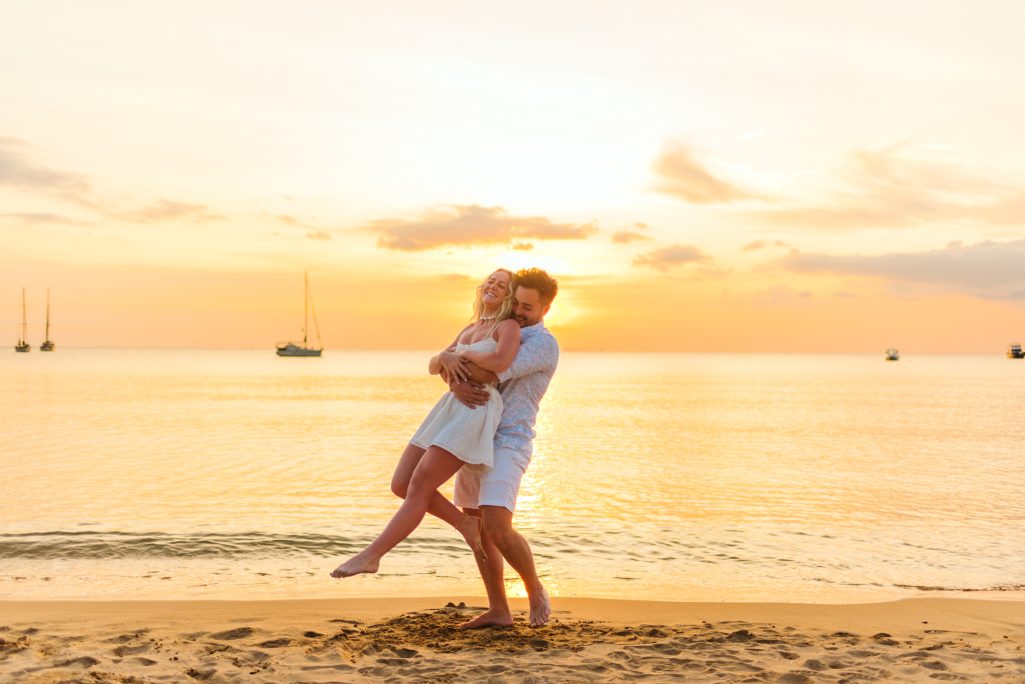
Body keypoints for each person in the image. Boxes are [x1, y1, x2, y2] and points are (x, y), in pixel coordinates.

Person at [329, 269, 521, 579]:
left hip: (476, 408)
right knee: (402, 484)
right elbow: (434, 365)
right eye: (491, 280)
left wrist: (459, 363)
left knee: (420, 486)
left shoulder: (507, 327)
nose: (493, 286)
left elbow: (499, 365)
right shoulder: (471, 327)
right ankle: (465, 524)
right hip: (449, 407)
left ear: (509, 297)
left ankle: (372, 554)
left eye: (502, 286)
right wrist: (447, 362)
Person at [443, 267, 560, 629]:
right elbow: (460, 372)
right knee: (478, 529)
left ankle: (535, 588)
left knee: (497, 525)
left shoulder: (542, 344)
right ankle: (498, 610)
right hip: (473, 435)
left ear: (545, 309)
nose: (519, 311)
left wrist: (451, 359)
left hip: (509, 440)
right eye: (517, 303)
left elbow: (491, 372)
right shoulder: (500, 329)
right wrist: (448, 363)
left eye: (528, 306)